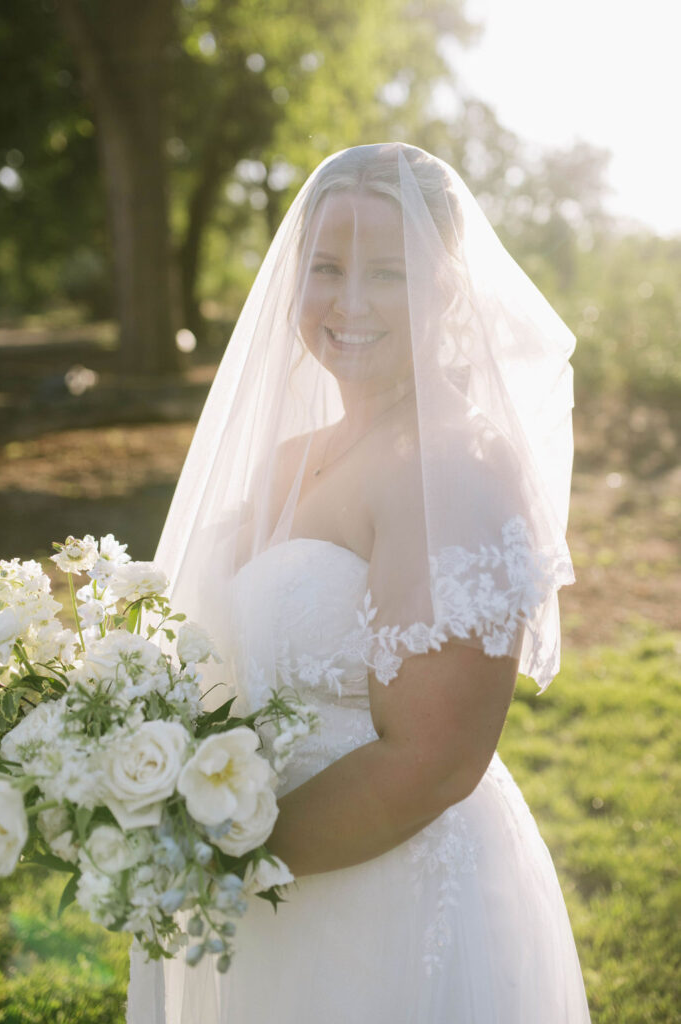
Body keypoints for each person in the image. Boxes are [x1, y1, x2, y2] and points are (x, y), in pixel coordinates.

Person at [127, 143, 591, 1022]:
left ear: (448, 291)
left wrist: (214, 857)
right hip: (262, 886)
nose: (347, 303)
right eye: (325, 268)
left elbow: (434, 759)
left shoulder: (453, 464)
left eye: (387, 273)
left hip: (384, 900)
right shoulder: (295, 456)